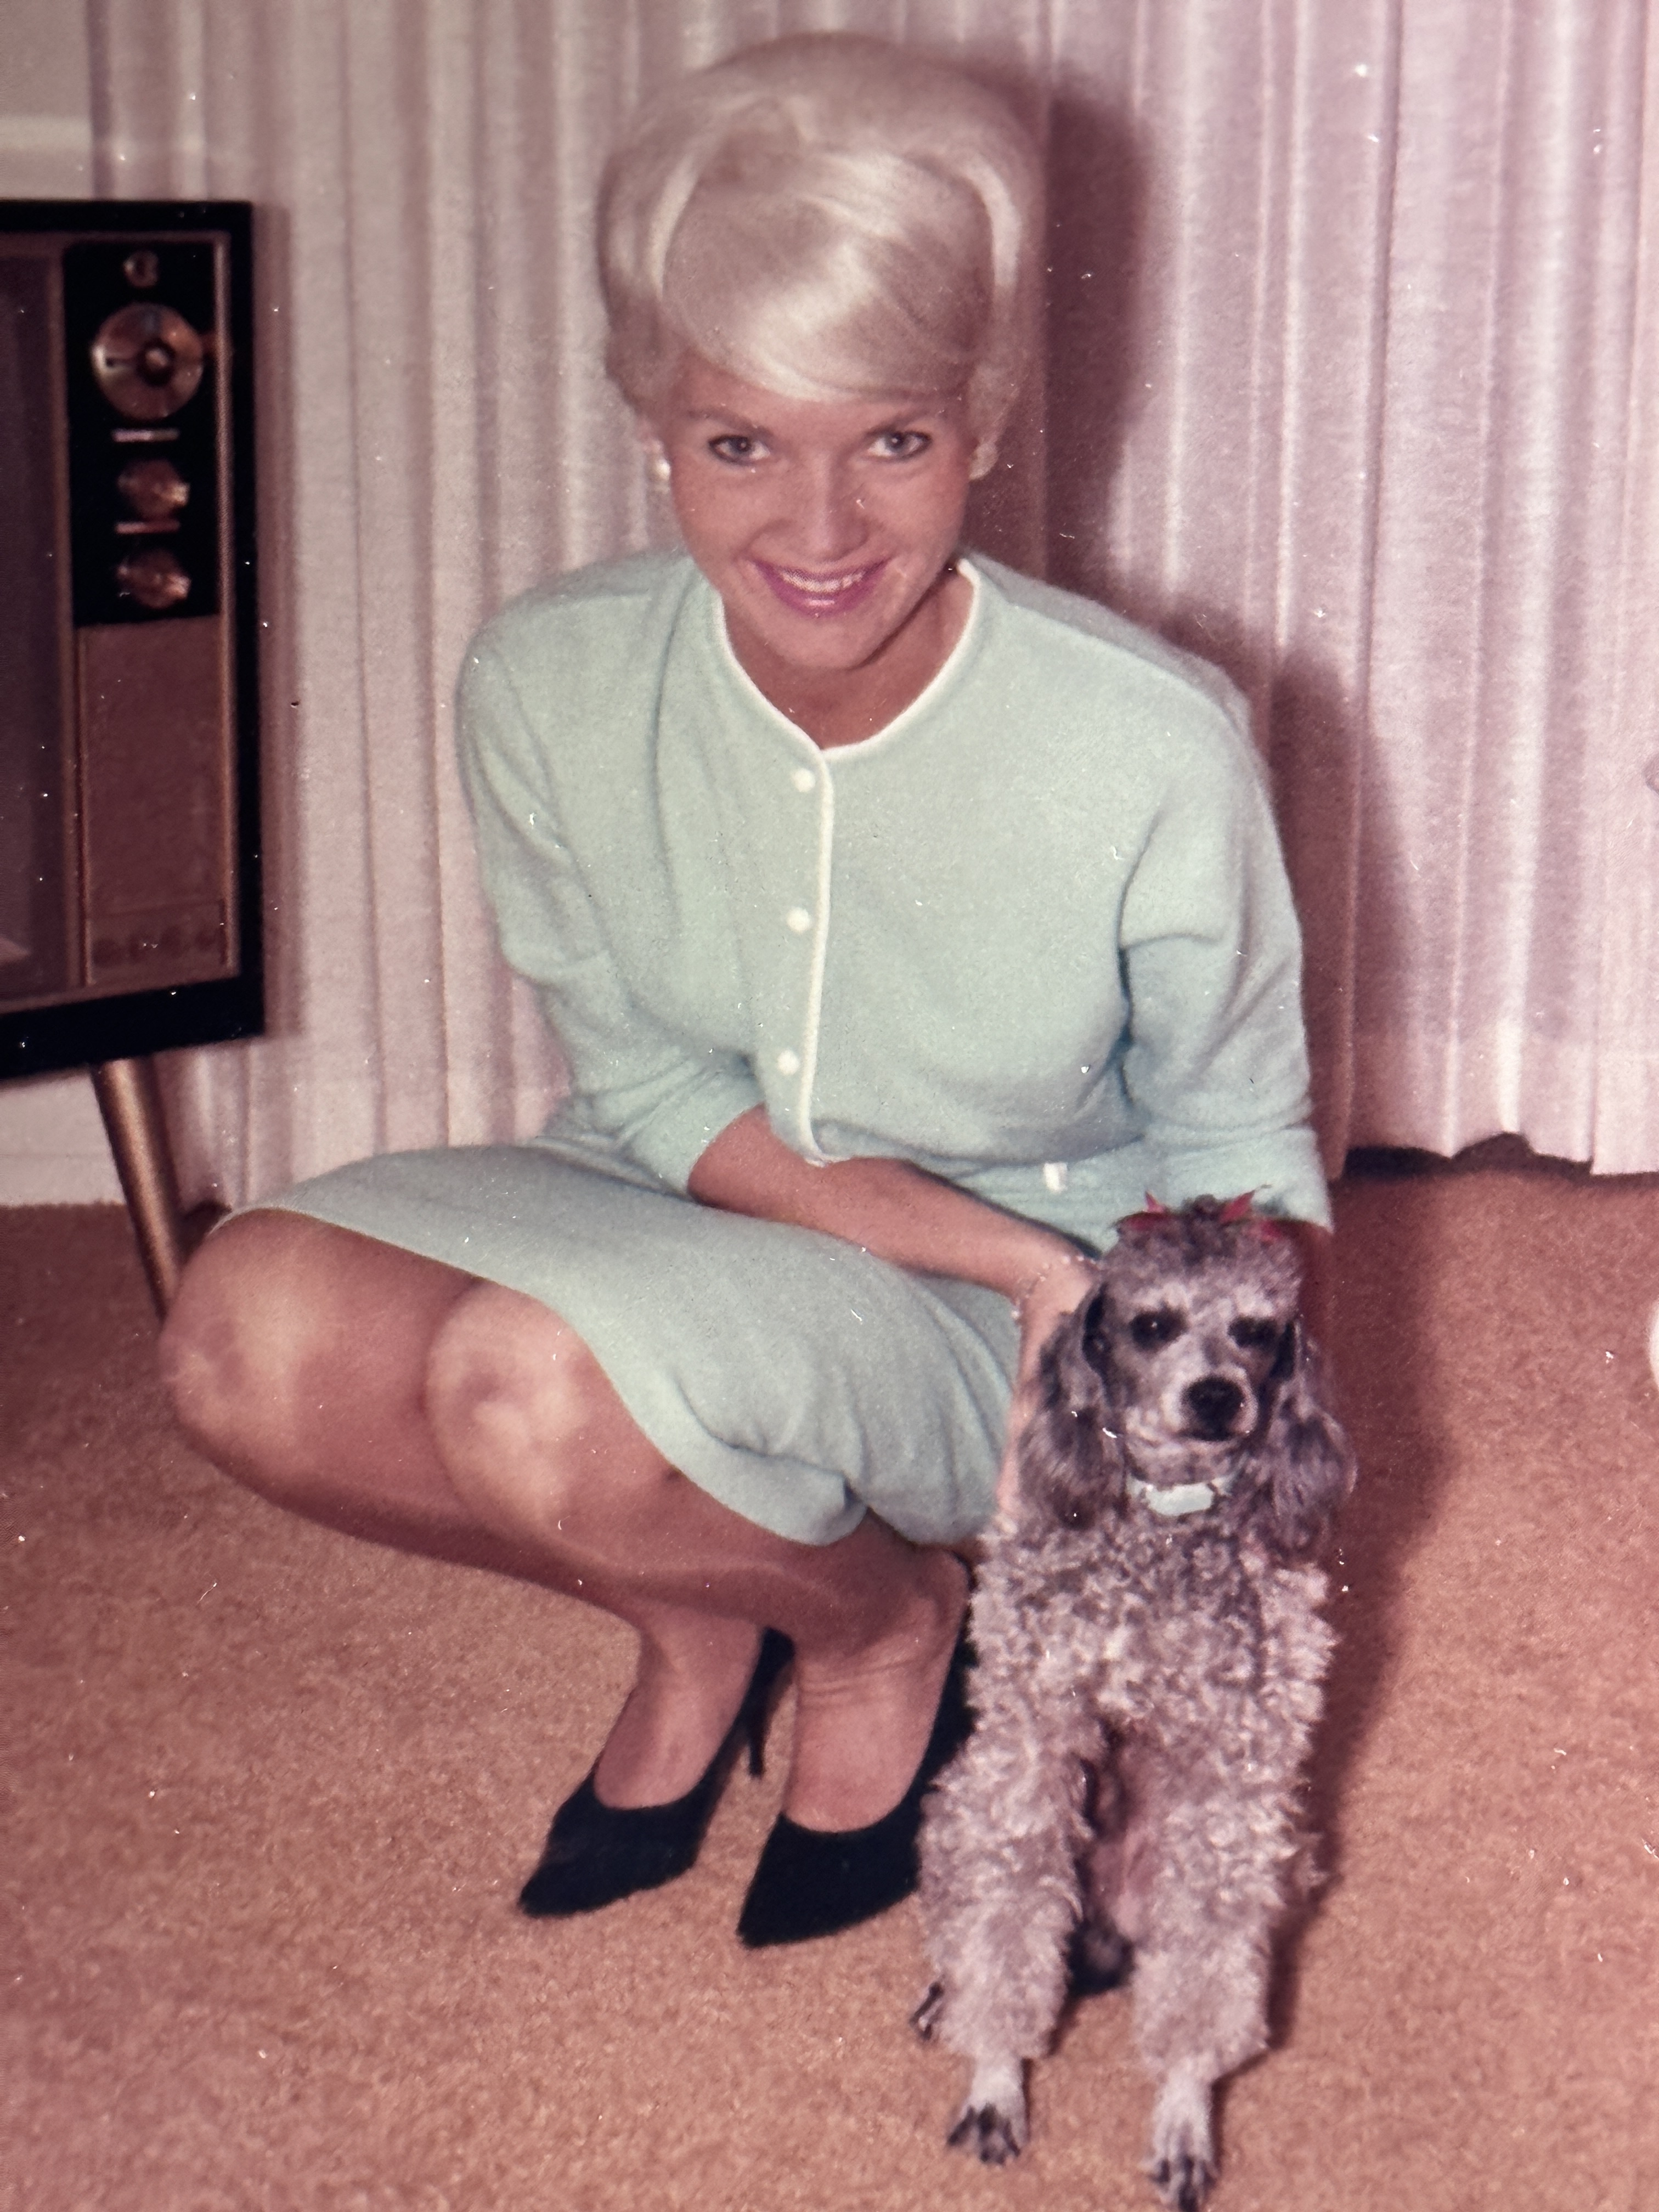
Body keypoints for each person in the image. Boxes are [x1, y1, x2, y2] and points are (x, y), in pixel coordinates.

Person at [160, 32, 1333, 1950]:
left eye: (890, 438)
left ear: (987, 415)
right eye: (740, 444)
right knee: (243, 1340)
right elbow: (638, 1073)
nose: (818, 531)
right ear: (651, 417)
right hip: (677, 1190)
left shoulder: (1149, 742)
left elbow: (1240, 1147)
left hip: (1022, 1325)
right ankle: (746, 1599)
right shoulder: (541, 678)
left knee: (530, 1391)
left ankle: (884, 1630)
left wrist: (1166, 1476)